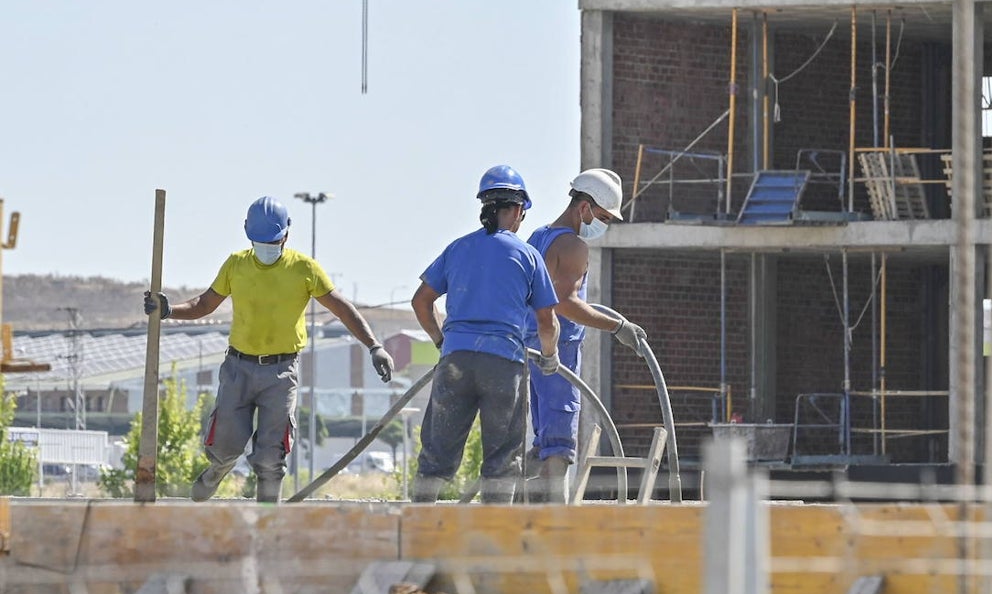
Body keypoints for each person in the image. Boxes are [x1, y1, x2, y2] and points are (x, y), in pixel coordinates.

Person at [143, 196, 394, 503]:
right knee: (225, 444)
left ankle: (266, 520)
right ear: (246, 233)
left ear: (286, 234)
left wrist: (374, 346)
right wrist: (169, 310)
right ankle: (217, 471)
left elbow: (343, 309)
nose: (266, 247)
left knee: (271, 456)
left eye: (272, 240)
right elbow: (204, 304)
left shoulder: (304, 269)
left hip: (281, 372)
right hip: (238, 369)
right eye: (259, 241)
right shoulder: (236, 265)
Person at [410, 165, 560, 504]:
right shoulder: (528, 256)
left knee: (436, 454)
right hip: (503, 364)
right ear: (519, 209)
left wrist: (441, 341)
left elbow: (422, 301)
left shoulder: (458, 249)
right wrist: (549, 357)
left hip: (456, 362)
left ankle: (417, 531)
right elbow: (547, 321)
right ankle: (494, 539)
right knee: (503, 460)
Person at [522, 168, 647, 503]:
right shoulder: (572, 245)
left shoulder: (538, 236)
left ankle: (521, 508)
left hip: (530, 347)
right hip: (557, 352)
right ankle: (555, 525)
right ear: (584, 208)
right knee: (560, 443)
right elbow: (564, 303)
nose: (603, 224)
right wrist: (617, 327)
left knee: (542, 440)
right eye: (603, 217)